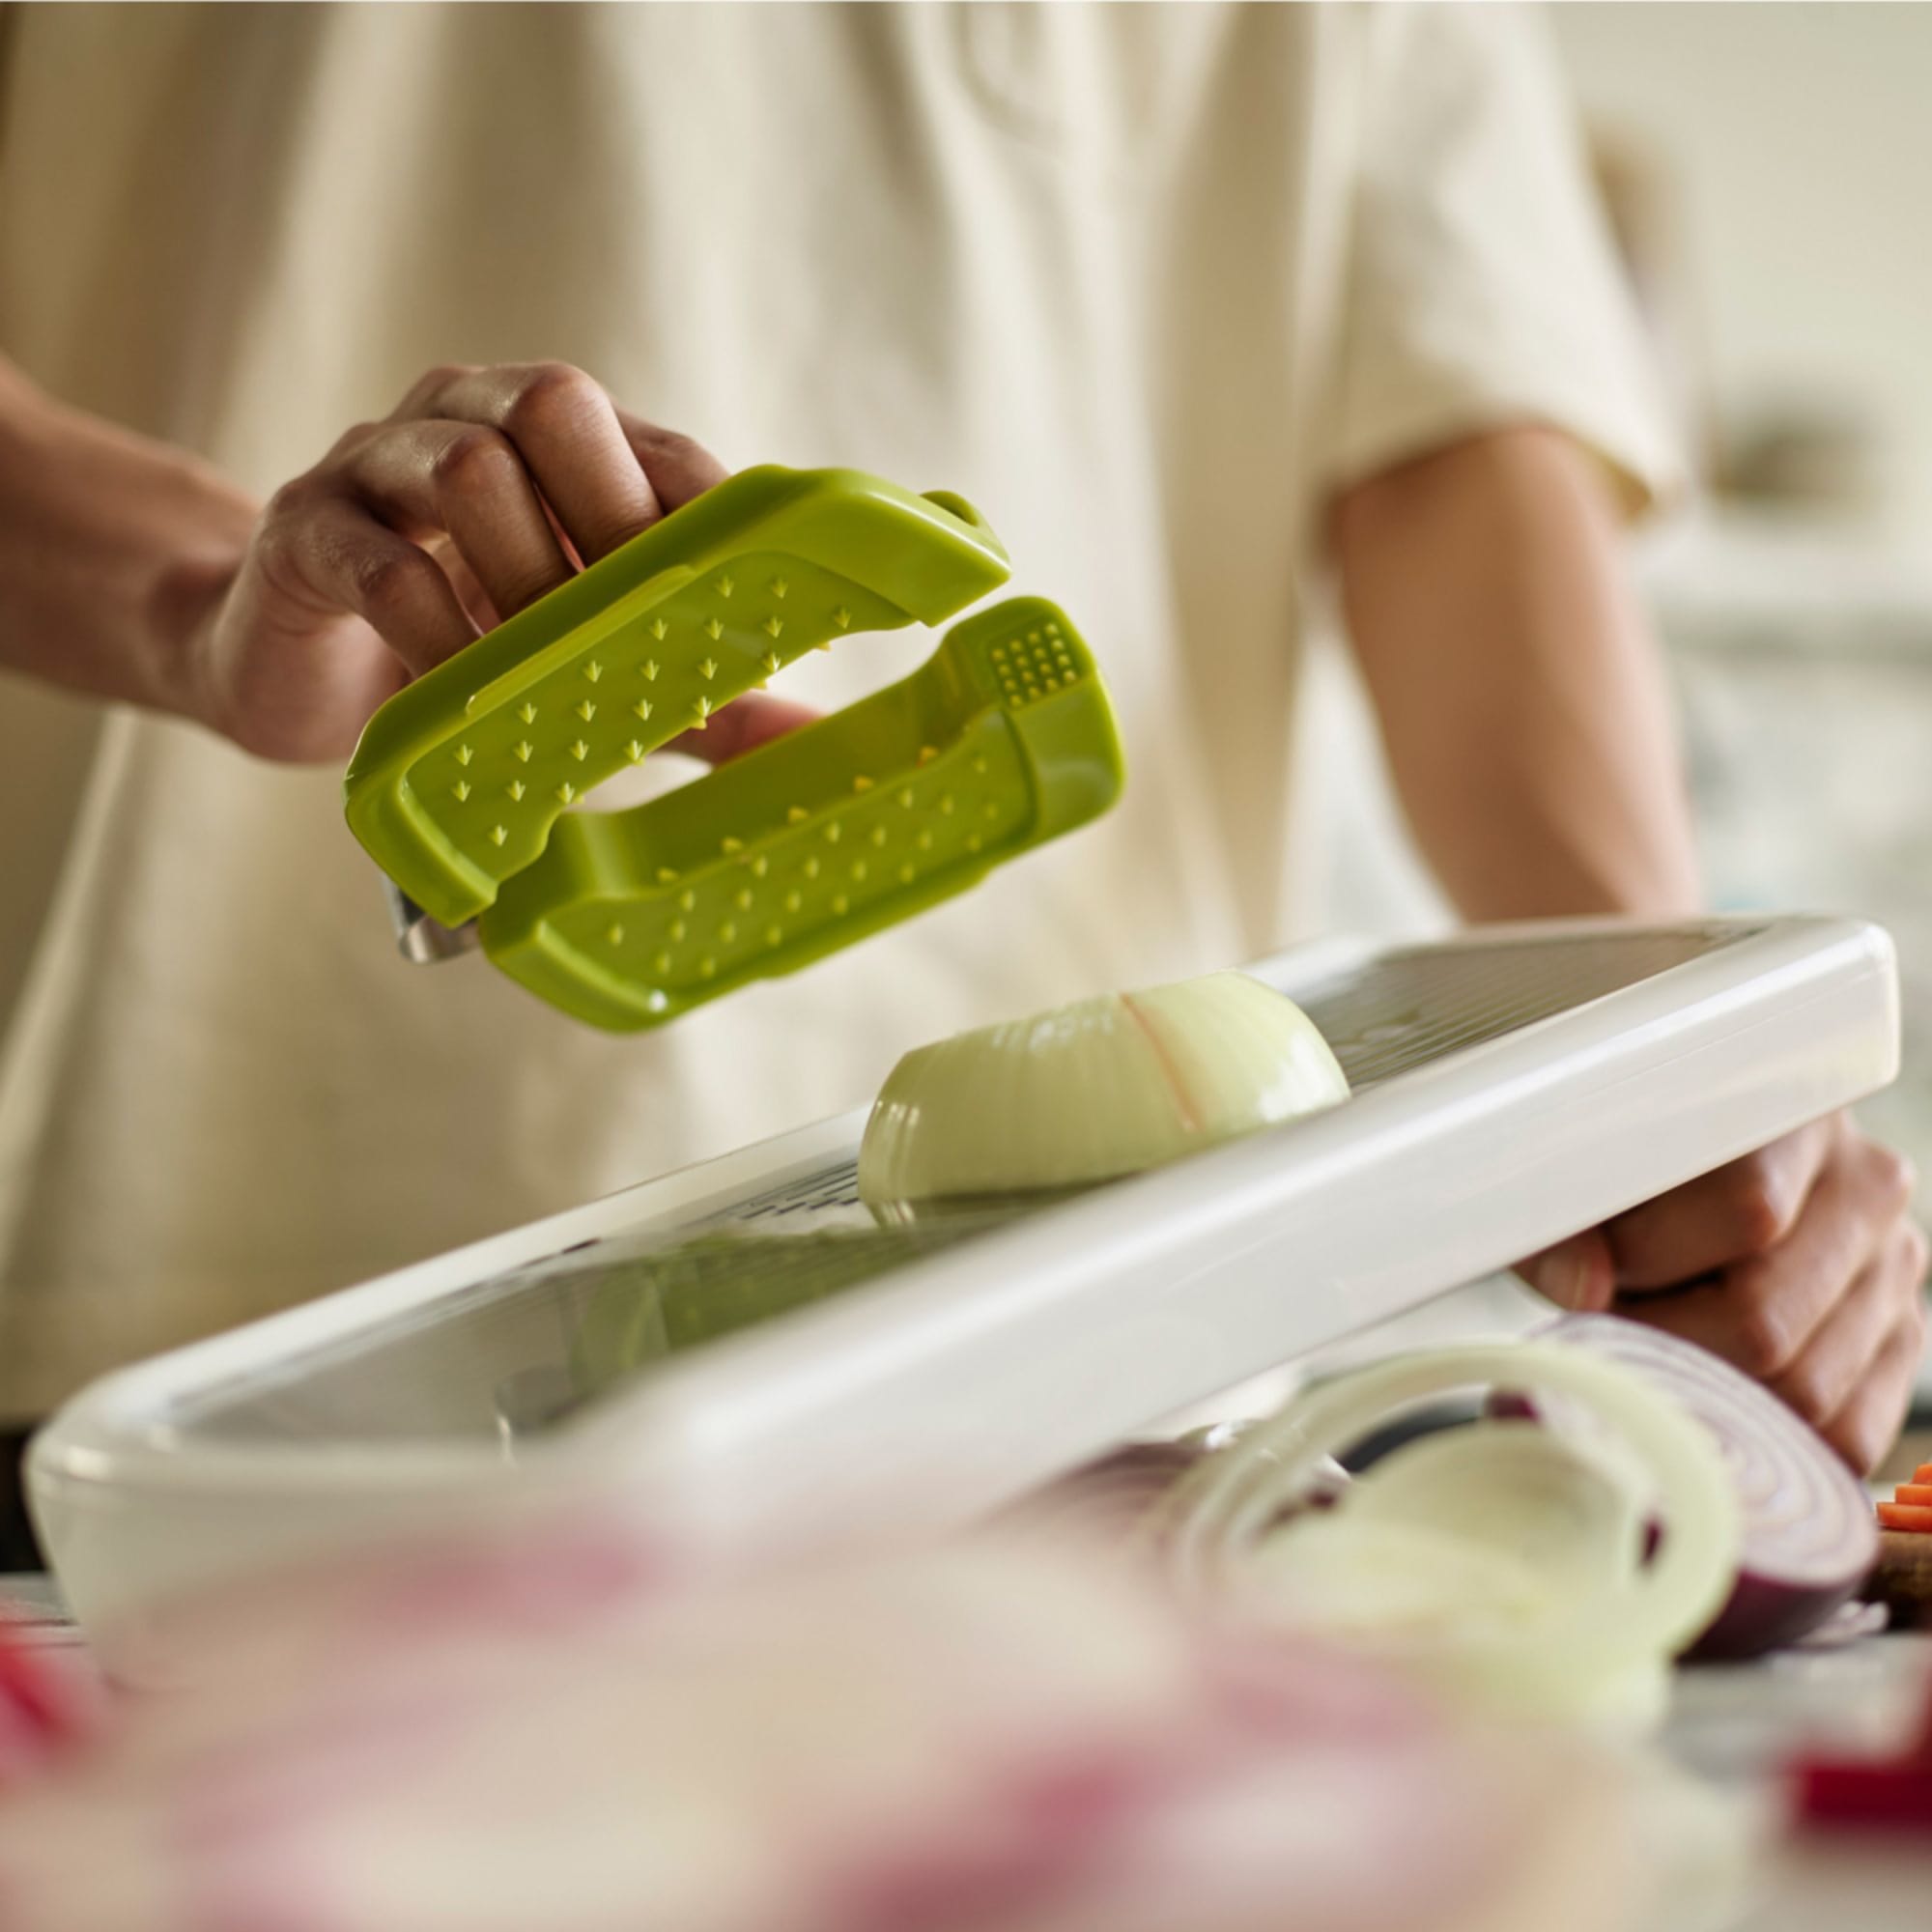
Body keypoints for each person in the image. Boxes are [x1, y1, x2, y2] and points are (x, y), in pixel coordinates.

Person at [0, 1, 1921, 1554]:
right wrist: (199, 602)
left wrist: (1675, 1091)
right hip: (175, 1358)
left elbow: (1451, 432)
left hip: (1084, 1381)